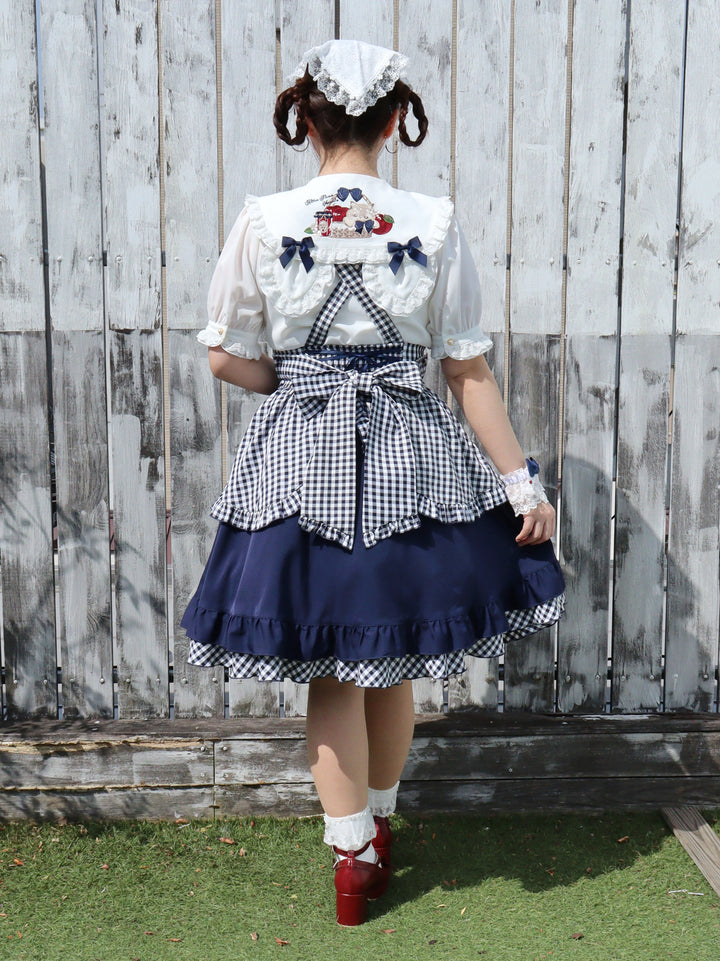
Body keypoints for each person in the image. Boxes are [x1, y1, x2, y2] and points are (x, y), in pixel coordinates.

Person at [181, 38, 565, 926]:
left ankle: (353, 858)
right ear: (395, 122)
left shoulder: (265, 218)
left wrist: (296, 383)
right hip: (411, 458)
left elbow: (223, 356)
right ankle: (377, 826)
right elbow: (467, 369)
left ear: (306, 122)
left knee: (332, 666)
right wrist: (521, 485)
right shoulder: (430, 220)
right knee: (392, 656)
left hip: (297, 464)